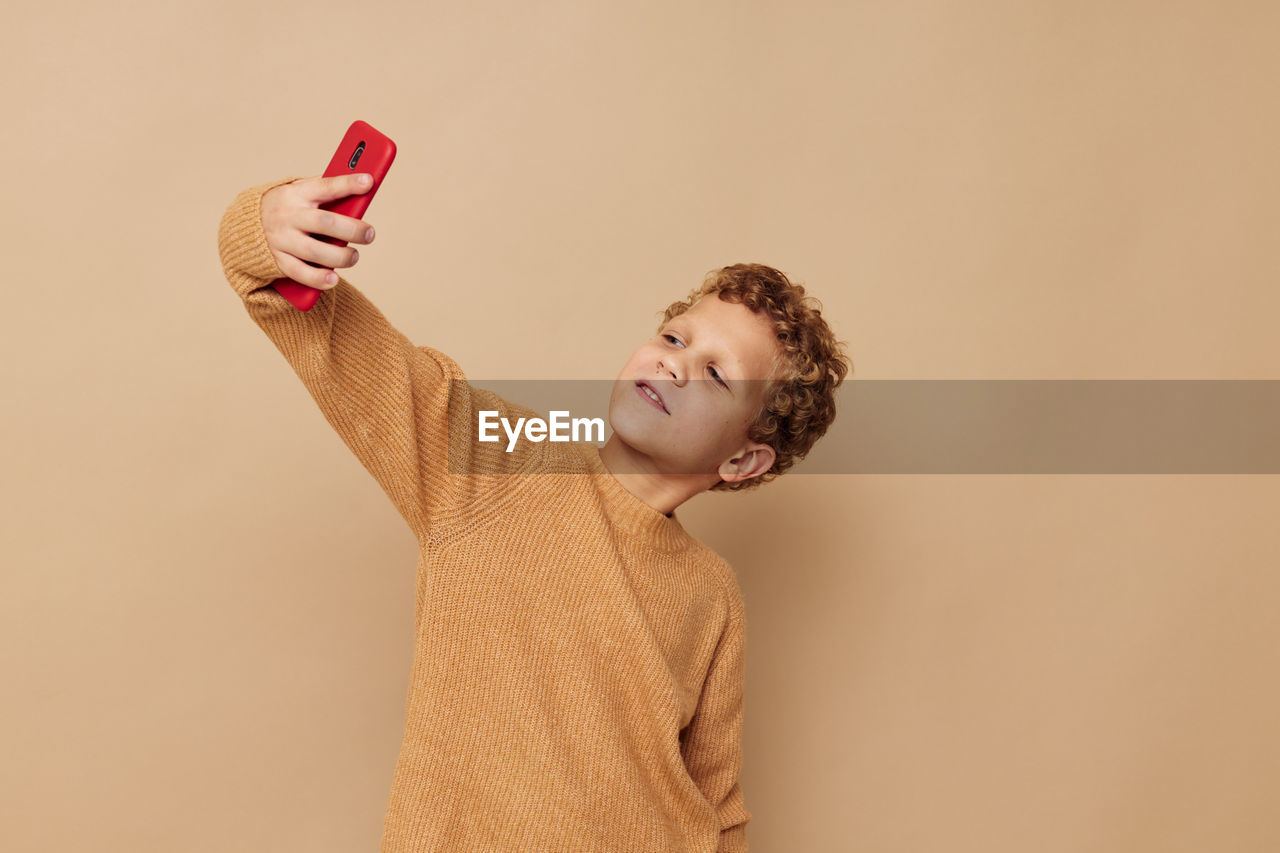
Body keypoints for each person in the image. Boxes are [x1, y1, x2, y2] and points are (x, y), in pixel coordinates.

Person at [216, 171, 851, 852]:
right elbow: (343, 347)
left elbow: (718, 808)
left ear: (743, 461)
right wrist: (263, 232)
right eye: (673, 339)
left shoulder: (711, 592)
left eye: (717, 373)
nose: (674, 365)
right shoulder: (503, 459)